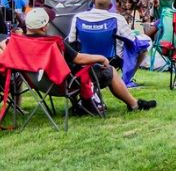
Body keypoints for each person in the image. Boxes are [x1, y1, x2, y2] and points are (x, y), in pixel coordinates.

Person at [22, 8, 157, 112]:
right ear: (44, 26)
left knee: (76, 68)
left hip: (39, 84)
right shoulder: (53, 42)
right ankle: (134, 104)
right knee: (109, 70)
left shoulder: (19, 43)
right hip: (64, 84)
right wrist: (101, 58)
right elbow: (79, 59)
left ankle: (81, 105)